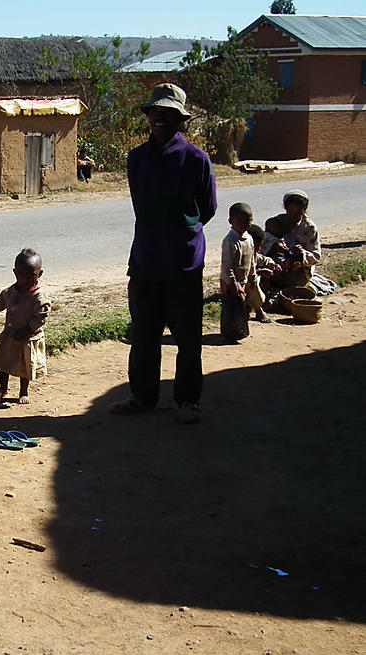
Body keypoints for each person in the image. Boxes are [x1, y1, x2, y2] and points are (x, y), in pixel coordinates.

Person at [109, 83, 216, 423]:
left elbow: (208, 209)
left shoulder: (196, 159)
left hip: (183, 264)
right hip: (145, 262)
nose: (158, 117)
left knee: (187, 339)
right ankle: (143, 397)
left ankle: (187, 401)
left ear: (178, 119)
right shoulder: (136, 158)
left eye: (166, 112)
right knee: (143, 335)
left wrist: (180, 230)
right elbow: (141, 205)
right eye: (154, 111)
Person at [0, 248, 51, 404]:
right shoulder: (12, 291)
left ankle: (23, 392)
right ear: (15, 273)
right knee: (3, 364)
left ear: (39, 274)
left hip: (27, 338)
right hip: (10, 335)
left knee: (24, 368)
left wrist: (27, 330)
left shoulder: (39, 297)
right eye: (21, 274)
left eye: (31, 275)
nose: (26, 278)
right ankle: (3, 388)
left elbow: (41, 317)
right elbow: (0, 303)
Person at [219, 203, 265, 341]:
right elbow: (227, 267)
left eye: (248, 220)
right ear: (230, 221)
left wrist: (252, 278)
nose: (245, 224)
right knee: (231, 307)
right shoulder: (230, 241)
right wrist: (233, 284)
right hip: (230, 281)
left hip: (244, 279)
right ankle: (229, 333)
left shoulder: (249, 239)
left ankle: (241, 330)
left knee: (242, 306)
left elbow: (251, 260)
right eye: (240, 221)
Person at [263, 190, 322, 290]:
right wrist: (275, 246)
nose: (294, 215)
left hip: (299, 269)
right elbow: (264, 242)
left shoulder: (309, 228)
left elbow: (315, 256)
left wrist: (302, 253)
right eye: (291, 211)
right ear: (286, 209)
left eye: (299, 211)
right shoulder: (278, 221)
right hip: (279, 261)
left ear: (304, 210)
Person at [249, 224, 279, 319]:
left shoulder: (254, 255)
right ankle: (258, 308)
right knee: (254, 283)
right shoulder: (242, 255)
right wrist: (259, 271)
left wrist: (273, 265)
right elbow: (243, 272)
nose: (259, 249)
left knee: (264, 279)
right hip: (242, 283)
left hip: (252, 281)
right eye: (256, 247)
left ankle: (260, 305)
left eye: (260, 246)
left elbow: (263, 259)